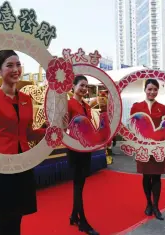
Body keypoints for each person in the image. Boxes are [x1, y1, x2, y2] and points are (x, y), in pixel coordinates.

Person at [0, 50, 45, 235]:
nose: (15, 69)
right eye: (9, 65)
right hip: (0, 167)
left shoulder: (26, 99)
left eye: (18, 65)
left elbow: (27, 133)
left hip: (23, 164)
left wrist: (49, 133)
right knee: (3, 220)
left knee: (18, 217)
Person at [130, 78, 165, 220]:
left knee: (157, 176)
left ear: (158, 91)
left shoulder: (162, 107)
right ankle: (148, 203)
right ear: (145, 90)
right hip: (143, 148)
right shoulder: (136, 107)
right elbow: (133, 127)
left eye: (155, 89)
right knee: (146, 176)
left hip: (158, 147)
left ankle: (156, 206)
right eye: (150, 89)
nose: (152, 92)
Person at [67, 75, 99, 235]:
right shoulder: (68, 104)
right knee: (78, 185)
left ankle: (74, 215)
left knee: (80, 184)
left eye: (86, 86)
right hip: (74, 149)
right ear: (73, 86)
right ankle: (83, 222)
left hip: (85, 149)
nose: (84, 89)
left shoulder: (86, 106)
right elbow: (63, 124)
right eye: (81, 85)